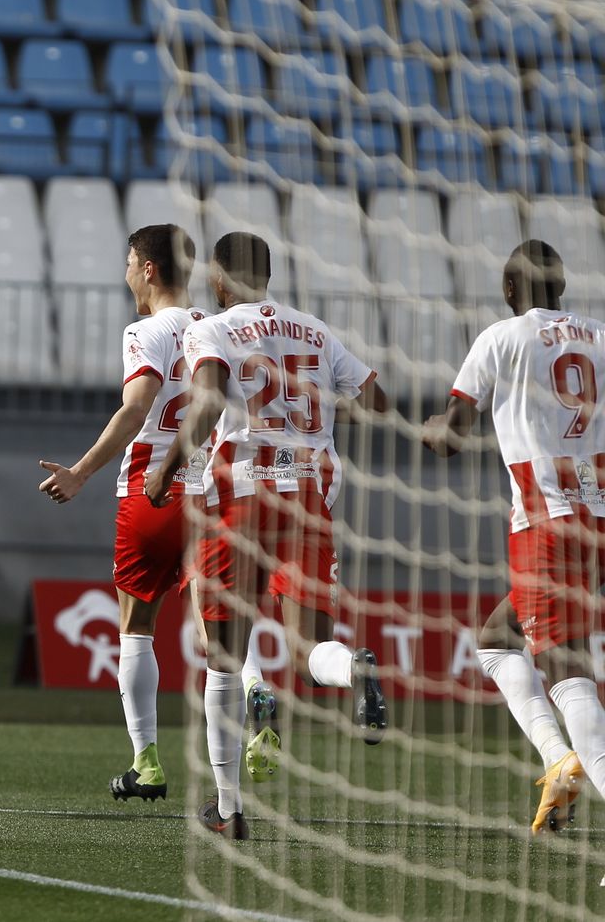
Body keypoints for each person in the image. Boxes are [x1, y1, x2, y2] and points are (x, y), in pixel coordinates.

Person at [146, 231, 389, 840]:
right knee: (310, 654)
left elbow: (203, 405)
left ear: (219, 282)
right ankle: (354, 671)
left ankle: (228, 808)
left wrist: (169, 465)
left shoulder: (214, 327)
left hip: (241, 494)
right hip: (308, 496)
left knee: (225, 661)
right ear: (272, 273)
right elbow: (377, 400)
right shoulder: (314, 329)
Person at [38, 225, 277, 801]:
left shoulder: (146, 330)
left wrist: (81, 471)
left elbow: (136, 405)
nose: (124, 273)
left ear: (147, 270)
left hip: (153, 486)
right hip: (219, 489)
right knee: (218, 627)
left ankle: (146, 761)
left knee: (136, 628)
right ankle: (255, 688)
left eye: (127, 262)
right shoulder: (219, 327)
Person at [422, 240, 604, 835]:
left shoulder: (501, 338)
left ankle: (573, 757)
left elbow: (451, 436)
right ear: (563, 284)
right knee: (498, 638)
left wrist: (429, 430)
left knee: (570, 676)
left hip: (546, 523)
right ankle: (559, 761)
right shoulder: (601, 337)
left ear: (509, 291)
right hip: (599, 515)